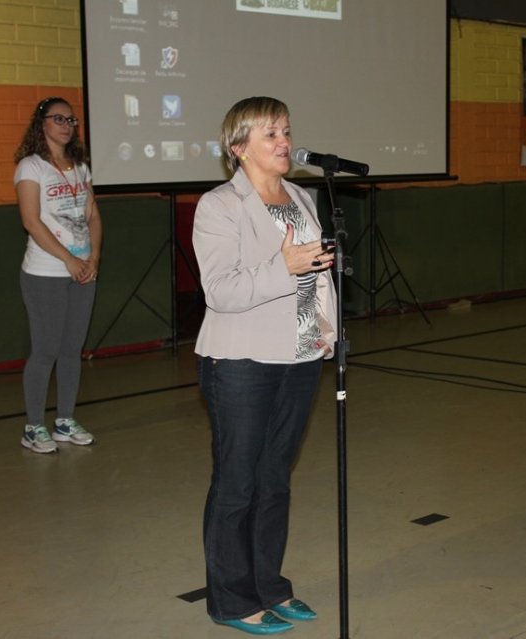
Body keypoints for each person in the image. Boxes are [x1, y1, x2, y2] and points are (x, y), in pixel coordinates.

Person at [192, 96, 338, 635]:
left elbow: (315, 274)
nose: (284, 141)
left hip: (299, 355)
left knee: (275, 479)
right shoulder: (219, 207)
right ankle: (230, 600)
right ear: (238, 148)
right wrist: (283, 266)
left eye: (285, 130)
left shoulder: (300, 195)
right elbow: (222, 291)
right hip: (241, 361)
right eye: (270, 133)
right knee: (237, 483)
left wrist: (326, 331)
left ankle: (269, 587)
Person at [13, 97, 101, 454]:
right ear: (42, 124)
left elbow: (92, 214)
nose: (66, 125)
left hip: (83, 271)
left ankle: (64, 420)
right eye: (58, 118)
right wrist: (68, 259)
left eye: (71, 119)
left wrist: (93, 257)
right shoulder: (30, 168)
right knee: (46, 349)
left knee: (70, 350)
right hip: (46, 272)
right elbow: (30, 220)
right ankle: (33, 426)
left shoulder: (80, 166)